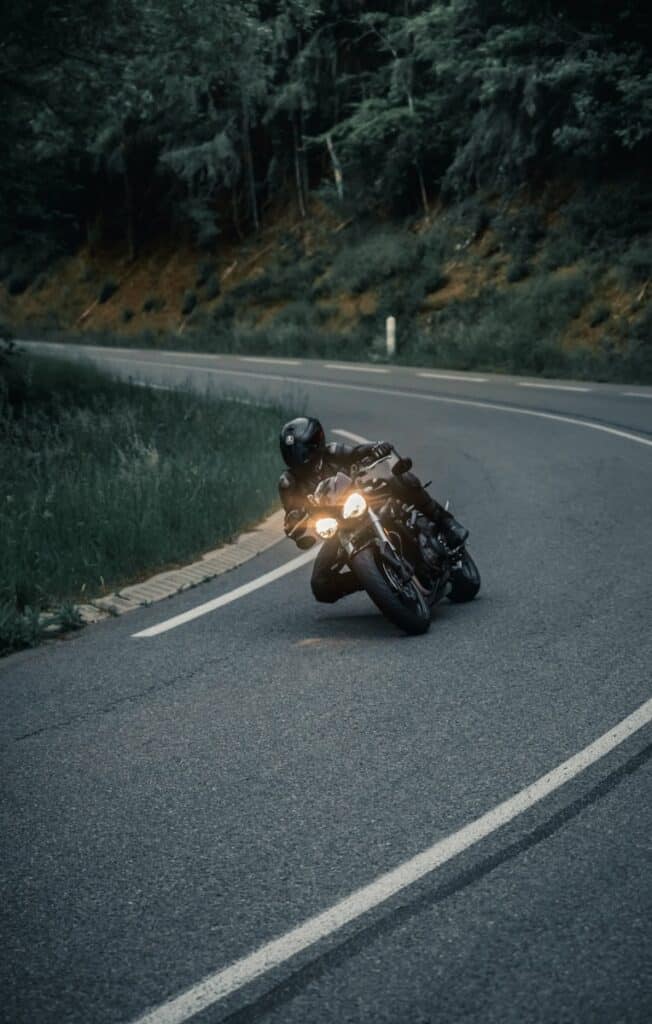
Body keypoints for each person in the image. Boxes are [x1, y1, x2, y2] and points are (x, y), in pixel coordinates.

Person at [278, 416, 469, 604]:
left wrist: (374, 448)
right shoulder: (288, 483)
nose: (298, 457)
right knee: (320, 584)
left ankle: (447, 523)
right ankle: (375, 578)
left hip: (361, 502)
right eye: (292, 452)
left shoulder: (332, 452)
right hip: (339, 529)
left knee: (399, 480)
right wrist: (295, 524)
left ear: (315, 444)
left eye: (301, 451)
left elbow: (355, 452)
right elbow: (292, 515)